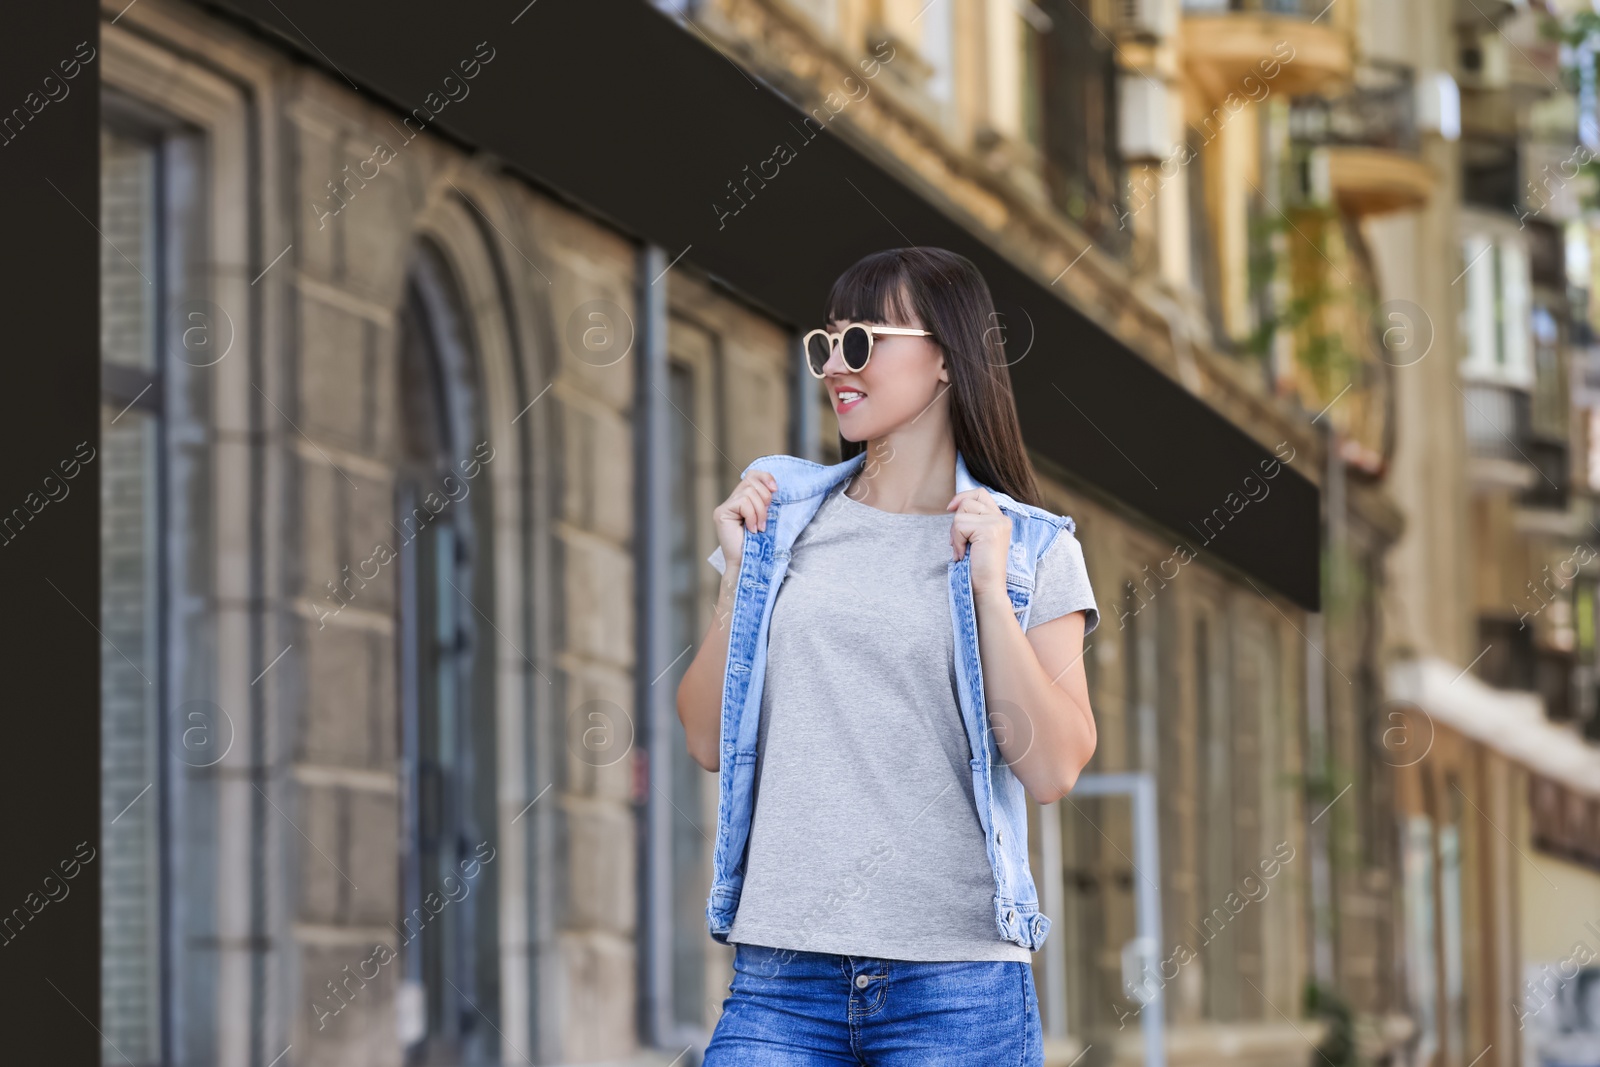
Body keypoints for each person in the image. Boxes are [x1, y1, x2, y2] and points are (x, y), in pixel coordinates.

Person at [676, 247, 1100, 1065]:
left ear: (946, 359)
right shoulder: (782, 523)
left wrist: (985, 587)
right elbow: (703, 737)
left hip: (957, 986)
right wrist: (736, 575)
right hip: (780, 977)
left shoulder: (1030, 549)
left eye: (862, 341)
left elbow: (1052, 768)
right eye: (826, 343)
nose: (836, 364)